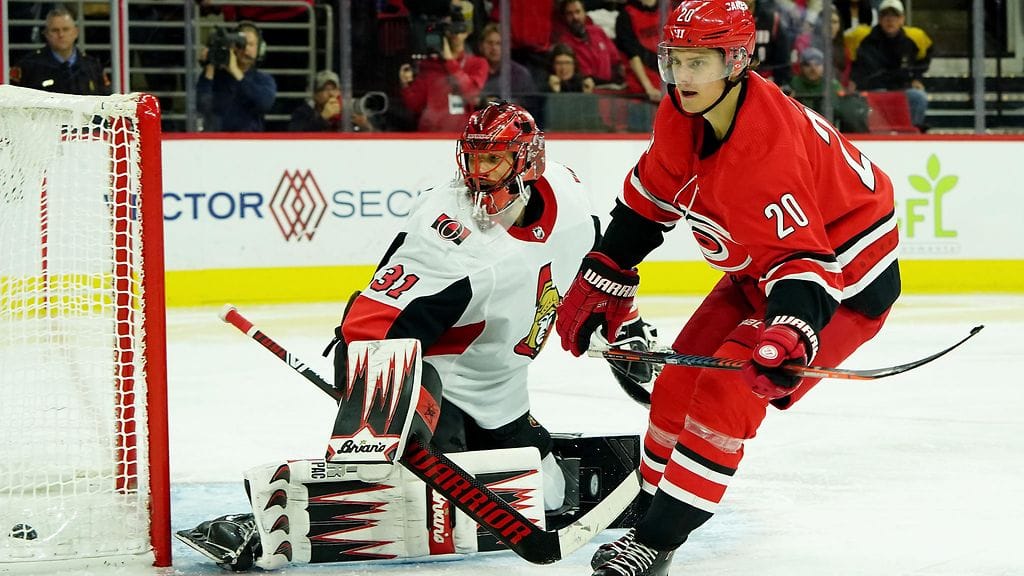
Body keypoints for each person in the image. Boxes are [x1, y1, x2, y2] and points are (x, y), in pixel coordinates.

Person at [175, 102, 658, 570]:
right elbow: (370, 327)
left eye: (493, 159)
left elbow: (602, 264)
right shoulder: (450, 235)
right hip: (437, 379)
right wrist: (388, 406)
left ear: (528, 163)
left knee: (549, 495)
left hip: (502, 389)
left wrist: (627, 328)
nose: (478, 174)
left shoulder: (568, 194)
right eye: (473, 159)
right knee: (422, 496)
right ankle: (267, 522)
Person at [554, 2, 901, 575]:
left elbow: (803, 265)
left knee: (724, 395)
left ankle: (657, 539)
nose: (681, 77)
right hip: (757, 270)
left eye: (698, 63)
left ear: (737, 61)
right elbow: (651, 199)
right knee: (676, 385)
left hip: (841, 286)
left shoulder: (766, 150)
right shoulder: (682, 110)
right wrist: (606, 270)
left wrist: (791, 332)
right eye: (675, 60)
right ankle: (652, 510)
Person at [399, 10, 488, 132]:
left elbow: (471, 93)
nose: (454, 34)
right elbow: (414, 105)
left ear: (466, 32)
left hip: (462, 134)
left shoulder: (477, 63)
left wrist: (450, 61)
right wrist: (405, 85)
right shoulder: (429, 65)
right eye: (447, 30)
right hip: (431, 135)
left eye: (457, 29)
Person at [849, 0, 932, 130]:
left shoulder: (910, 42)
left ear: (902, 19)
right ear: (880, 19)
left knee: (918, 97)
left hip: (900, 89)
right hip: (874, 90)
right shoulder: (867, 42)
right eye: (886, 16)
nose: (890, 20)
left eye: (895, 16)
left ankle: (913, 131)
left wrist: (917, 78)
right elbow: (861, 68)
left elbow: (919, 63)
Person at [10, 7, 110, 96]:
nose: (61, 35)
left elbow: (105, 102)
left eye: (66, 29)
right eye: (55, 30)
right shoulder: (28, 67)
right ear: (46, 34)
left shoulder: (93, 67)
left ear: (76, 32)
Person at [196, 22, 277, 132]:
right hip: (216, 139)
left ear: (259, 48)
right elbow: (201, 106)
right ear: (233, 47)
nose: (246, 49)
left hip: (249, 140)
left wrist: (235, 71)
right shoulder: (215, 76)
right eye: (241, 44)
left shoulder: (263, 79)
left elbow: (264, 104)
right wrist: (211, 63)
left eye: (251, 44)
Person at [790, 47, 868, 132]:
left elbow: (841, 109)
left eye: (817, 64)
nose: (813, 69)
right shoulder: (793, 83)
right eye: (807, 65)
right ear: (801, 67)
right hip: (800, 128)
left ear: (823, 66)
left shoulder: (832, 85)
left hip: (827, 128)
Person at [553, 0, 622, 86]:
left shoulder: (598, 31)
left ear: (584, 13)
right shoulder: (564, 43)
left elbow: (616, 60)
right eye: (569, 14)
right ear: (565, 17)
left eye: (578, 12)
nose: (575, 17)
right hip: (588, 88)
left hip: (613, 87)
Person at [288, 70, 376, 132]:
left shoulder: (349, 110)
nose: (331, 94)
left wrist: (365, 126)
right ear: (315, 94)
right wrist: (323, 118)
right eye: (325, 89)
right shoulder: (303, 112)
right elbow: (294, 138)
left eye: (334, 89)